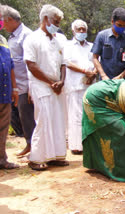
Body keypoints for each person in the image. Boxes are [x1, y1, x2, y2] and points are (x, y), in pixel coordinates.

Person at [23, 4, 68, 171]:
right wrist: (51, 82)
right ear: (45, 19)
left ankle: (56, 156)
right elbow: (31, 65)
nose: (57, 24)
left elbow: (64, 63)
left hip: (58, 87)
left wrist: (61, 81)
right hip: (41, 85)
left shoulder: (59, 39)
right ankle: (36, 158)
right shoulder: (32, 38)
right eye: (55, 21)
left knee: (58, 120)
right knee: (43, 120)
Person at [1, 5, 35, 156]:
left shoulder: (26, 35)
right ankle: (29, 144)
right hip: (17, 86)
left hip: (26, 85)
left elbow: (30, 62)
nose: (3, 25)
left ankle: (33, 146)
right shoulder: (12, 36)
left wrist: (31, 87)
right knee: (22, 116)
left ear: (9, 19)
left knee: (28, 116)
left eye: (3, 21)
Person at [64, 19, 96, 155]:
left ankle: (89, 143)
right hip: (75, 85)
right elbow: (68, 63)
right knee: (76, 116)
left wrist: (93, 74)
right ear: (73, 31)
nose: (82, 31)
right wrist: (85, 72)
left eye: (84, 29)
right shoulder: (68, 45)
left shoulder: (92, 46)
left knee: (89, 115)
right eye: (79, 29)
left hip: (90, 85)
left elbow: (96, 61)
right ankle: (77, 146)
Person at [91, 7, 125, 80]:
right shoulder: (102, 36)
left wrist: (121, 76)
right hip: (105, 80)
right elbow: (95, 58)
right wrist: (103, 75)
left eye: (124, 26)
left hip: (123, 81)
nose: (122, 28)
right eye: (119, 25)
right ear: (112, 21)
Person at [0, 19, 19, 169]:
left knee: (3, 128)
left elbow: (10, 65)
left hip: (5, 92)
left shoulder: (3, 40)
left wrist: (14, 88)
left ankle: (2, 160)